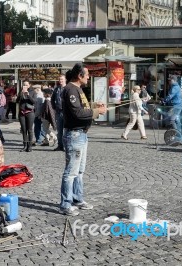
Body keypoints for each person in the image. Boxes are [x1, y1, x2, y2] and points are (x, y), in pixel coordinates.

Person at [59, 63, 107, 216]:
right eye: (86, 74)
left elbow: (81, 106)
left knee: (79, 171)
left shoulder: (77, 89)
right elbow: (77, 113)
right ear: (79, 76)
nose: (88, 77)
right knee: (71, 172)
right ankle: (65, 204)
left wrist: (94, 105)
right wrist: (96, 111)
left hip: (81, 134)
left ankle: (77, 199)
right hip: (74, 134)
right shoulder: (70, 89)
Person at [17, 82, 36, 152]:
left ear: (29, 85)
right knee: (24, 130)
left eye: (26, 85)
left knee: (30, 130)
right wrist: (20, 94)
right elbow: (17, 101)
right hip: (22, 113)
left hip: (30, 112)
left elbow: (34, 101)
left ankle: (30, 146)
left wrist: (28, 95)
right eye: (24, 85)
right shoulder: (20, 91)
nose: (25, 86)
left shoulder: (33, 92)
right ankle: (25, 146)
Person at [51, 74, 66, 151]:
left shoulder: (67, 88)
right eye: (59, 79)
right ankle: (60, 145)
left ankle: (66, 146)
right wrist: (54, 107)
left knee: (66, 130)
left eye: (62, 79)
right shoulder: (56, 89)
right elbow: (52, 99)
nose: (60, 81)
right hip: (59, 111)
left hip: (66, 112)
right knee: (59, 130)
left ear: (65, 80)